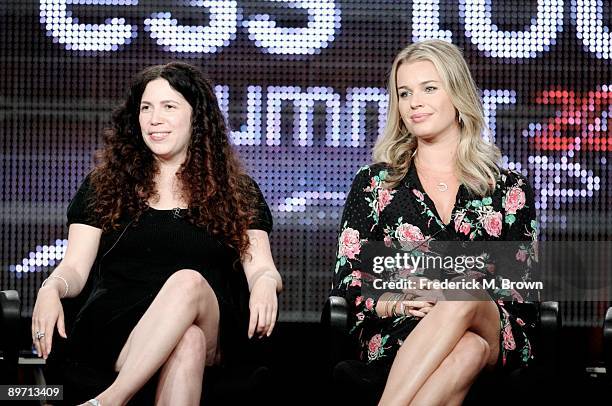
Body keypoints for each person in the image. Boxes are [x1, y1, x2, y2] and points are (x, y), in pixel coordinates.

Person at [31, 62, 282, 405]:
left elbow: (262, 267)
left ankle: (109, 401)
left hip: (211, 324)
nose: (154, 118)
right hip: (119, 329)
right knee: (186, 340)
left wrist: (266, 283)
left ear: (197, 117)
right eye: (146, 108)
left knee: (189, 284)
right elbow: (74, 267)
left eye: (169, 106)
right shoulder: (105, 185)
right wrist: (51, 288)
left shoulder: (236, 191)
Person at [332, 39, 538, 405]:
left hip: (492, 326)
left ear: (457, 94)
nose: (414, 102)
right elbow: (350, 282)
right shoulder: (376, 183)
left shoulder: (508, 187)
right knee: (466, 351)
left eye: (429, 88)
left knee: (464, 300)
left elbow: (519, 292)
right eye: (404, 92)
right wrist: (401, 302)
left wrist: (450, 297)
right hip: (402, 328)